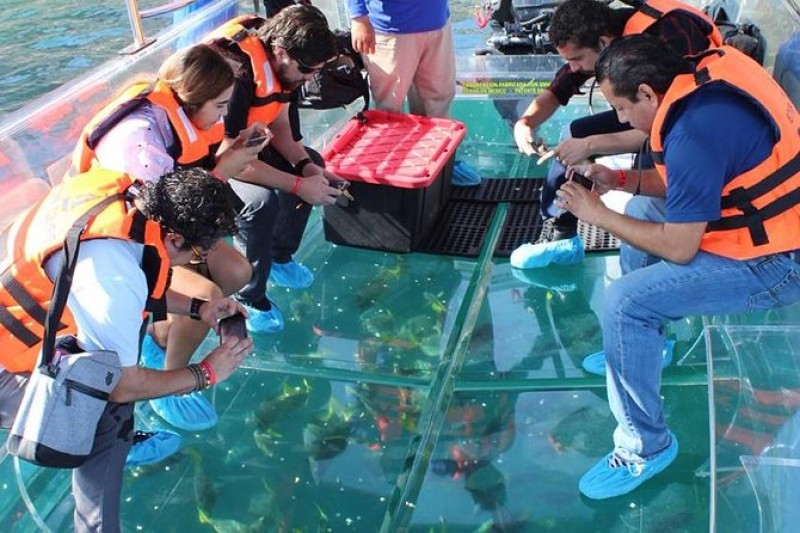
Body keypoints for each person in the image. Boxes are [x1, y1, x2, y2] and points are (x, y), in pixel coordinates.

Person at [556, 34, 800, 499]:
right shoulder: (708, 76)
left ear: (648, 92)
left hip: (781, 262)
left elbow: (680, 248)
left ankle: (644, 446)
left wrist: (598, 214)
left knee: (625, 303)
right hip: (771, 223)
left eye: (624, 110)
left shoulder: (693, 131)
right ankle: (649, 349)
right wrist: (621, 179)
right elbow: (689, 182)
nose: (625, 122)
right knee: (644, 213)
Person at [0, 167, 253, 532]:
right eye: (201, 250)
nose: (205, 256)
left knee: (119, 353)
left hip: (34, 329)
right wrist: (206, 373)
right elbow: (121, 385)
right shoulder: (112, 274)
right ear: (177, 238)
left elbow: (140, 276)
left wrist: (200, 308)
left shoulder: (128, 199)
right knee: (108, 410)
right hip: (9, 368)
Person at [70, 44, 259, 432]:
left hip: (158, 232)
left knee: (237, 271)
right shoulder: (140, 148)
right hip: (121, 243)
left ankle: (162, 335)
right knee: (207, 294)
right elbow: (163, 220)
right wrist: (204, 373)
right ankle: (170, 382)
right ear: (192, 100)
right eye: (220, 106)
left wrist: (231, 153)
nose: (224, 116)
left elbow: (180, 203)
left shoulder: (175, 120)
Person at [509, 0, 723, 269]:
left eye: (575, 59)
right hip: (658, 116)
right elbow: (560, 87)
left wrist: (591, 145)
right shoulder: (600, 40)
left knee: (648, 202)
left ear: (603, 43)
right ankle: (561, 235)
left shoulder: (670, 38)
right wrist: (525, 122)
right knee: (573, 132)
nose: (573, 68)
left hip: (696, 124)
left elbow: (674, 126)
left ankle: (667, 251)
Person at [206, 5, 345, 333]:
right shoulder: (237, 74)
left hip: (246, 147)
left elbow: (280, 124)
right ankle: (250, 294)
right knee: (260, 202)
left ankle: (279, 256)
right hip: (211, 165)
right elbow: (229, 160)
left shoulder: (285, 69)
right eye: (308, 69)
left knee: (315, 163)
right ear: (281, 52)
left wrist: (306, 168)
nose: (311, 78)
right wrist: (298, 186)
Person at [348, 0, 482, 187]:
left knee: (439, 99)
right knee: (389, 109)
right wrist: (358, 18)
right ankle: (392, 177)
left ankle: (442, 165)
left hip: (438, 23)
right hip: (389, 30)